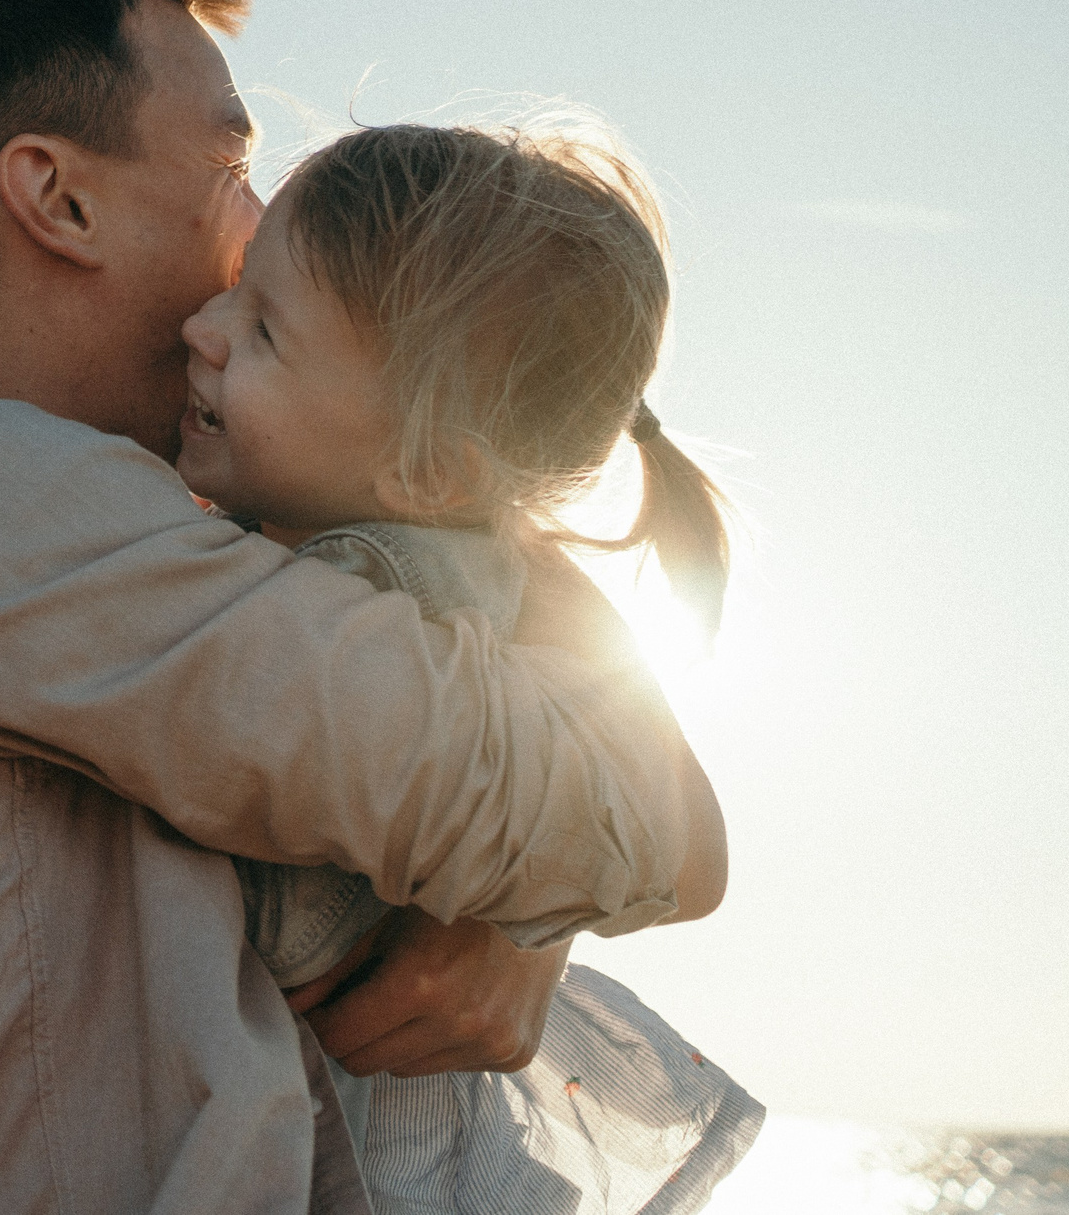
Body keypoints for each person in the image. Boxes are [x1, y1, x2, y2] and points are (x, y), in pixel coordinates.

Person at [0, 0, 729, 1213]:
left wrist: (512, 917)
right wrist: (517, 903)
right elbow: (651, 824)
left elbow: (606, 799)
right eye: (232, 167)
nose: (255, 230)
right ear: (56, 195)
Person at [184, 122, 763, 1213]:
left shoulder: (370, 584)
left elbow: (685, 846)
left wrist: (507, 914)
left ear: (427, 467)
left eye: (262, 330)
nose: (200, 329)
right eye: (234, 293)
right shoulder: (475, 558)